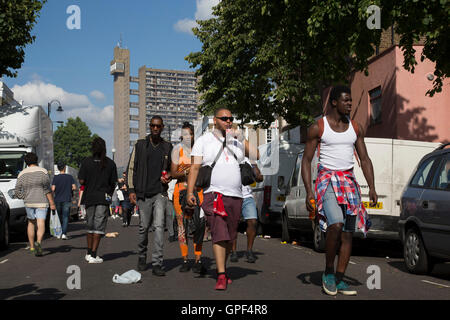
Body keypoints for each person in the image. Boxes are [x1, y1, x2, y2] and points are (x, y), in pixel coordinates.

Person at [301, 85, 377, 296]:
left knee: (347, 234)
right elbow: (306, 161)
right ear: (334, 102)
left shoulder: (356, 127)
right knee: (335, 223)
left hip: (349, 182)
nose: (350, 104)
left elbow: (365, 159)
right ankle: (328, 272)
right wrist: (309, 191)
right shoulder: (318, 127)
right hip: (327, 181)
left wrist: (372, 187)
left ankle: (340, 278)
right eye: (346, 100)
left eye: (351, 100)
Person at [187, 108, 259, 290]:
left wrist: (241, 137)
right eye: (224, 118)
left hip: (236, 195)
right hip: (214, 194)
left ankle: (222, 268)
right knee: (219, 231)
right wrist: (189, 192)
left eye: (230, 118)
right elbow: (195, 168)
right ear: (215, 120)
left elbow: (256, 155)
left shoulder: (237, 140)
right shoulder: (204, 141)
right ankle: (221, 275)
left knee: (229, 236)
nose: (228, 121)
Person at [127, 115, 173, 276]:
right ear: (149, 126)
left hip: (160, 193)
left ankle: (157, 263)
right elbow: (132, 168)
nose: (155, 128)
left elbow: (172, 169)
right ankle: (141, 255)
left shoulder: (167, 147)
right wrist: (131, 190)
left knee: (159, 227)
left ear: (162, 128)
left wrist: (169, 176)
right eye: (153, 125)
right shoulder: (140, 145)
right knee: (143, 228)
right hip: (143, 193)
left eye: (158, 126)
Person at [171, 122, 206, 274]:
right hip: (180, 191)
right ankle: (185, 259)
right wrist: (190, 172)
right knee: (182, 227)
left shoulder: (199, 150)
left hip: (198, 191)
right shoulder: (176, 150)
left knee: (199, 226)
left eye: (190, 134)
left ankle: (198, 259)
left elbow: (204, 170)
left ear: (193, 135)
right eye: (184, 134)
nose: (187, 137)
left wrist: (191, 170)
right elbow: (173, 173)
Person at [78, 137, 118, 264]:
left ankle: (89, 252)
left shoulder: (86, 162)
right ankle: (94, 254)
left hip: (89, 197)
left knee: (90, 226)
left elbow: (81, 180)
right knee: (98, 227)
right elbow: (113, 182)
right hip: (103, 197)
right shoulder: (110, 163)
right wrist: (108, 193)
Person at [14, 152, 56, 256]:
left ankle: (32, 246)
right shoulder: (43, 172)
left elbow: (17, 191)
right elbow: (47, 189)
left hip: (29, 202)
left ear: (26, 162)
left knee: (31, 223)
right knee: (40, 223)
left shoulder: (22, 174)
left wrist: (24, 197)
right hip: (41, 202)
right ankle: (39, 242)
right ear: (36, 160)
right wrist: (52, 203)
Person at [230, 158, 263, 263]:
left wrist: (257, 175)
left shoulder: (249, 160)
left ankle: (249, 251)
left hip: (247, 196)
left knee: (253, 222)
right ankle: (233, 251)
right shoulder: (229, 158)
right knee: (233, 224)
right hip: (233, 195)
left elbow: (259, 177)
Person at [52, 161, 77, 240]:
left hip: (57, 199)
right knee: (65, 217)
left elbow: (53, 189)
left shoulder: (55, 177)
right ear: (65, 168)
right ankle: (64, 234)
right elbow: (74, 187)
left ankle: (58, 233)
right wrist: (70, 188)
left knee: (59, 217)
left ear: (58, 168)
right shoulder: (69, 177)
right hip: (67, 199)